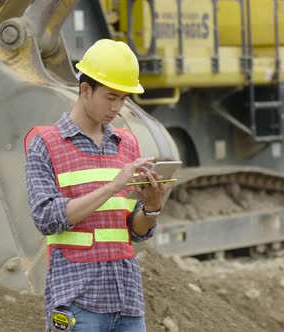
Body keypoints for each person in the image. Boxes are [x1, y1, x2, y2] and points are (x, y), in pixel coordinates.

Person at [25, 39, 170, 332]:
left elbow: (133, 231)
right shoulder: (46, 143)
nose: (117, 107)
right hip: (77, 304)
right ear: (85, 90)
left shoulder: (126, 144)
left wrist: (152, 207)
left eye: (123, 99)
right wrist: (112, 186)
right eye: (111, 97)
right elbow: (46, 218)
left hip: (127, 302)